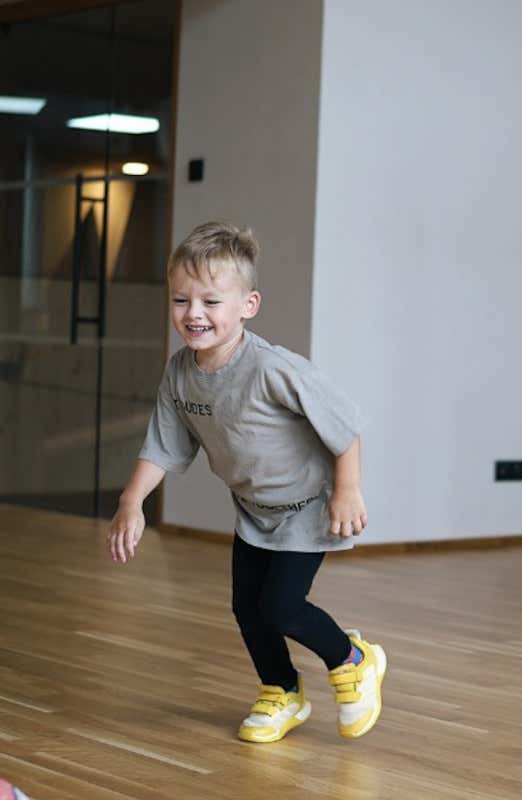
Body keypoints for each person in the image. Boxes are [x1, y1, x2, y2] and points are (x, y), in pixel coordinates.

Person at [107, 221, 386, 741]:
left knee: (281, 607)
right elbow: (164, 444)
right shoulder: (180, 373)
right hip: (253, 511)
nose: (194, 314)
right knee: (247, 609)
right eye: (181, 300)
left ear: (248, 305)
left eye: (211, 302)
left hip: (307, 506)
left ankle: (352, 658)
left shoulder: (275, 369)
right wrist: (131, 502)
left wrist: (347, 491)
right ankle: (282, 690)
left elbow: (345, 429)